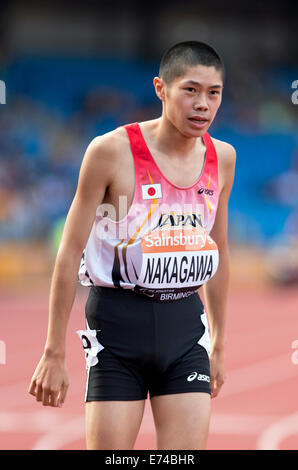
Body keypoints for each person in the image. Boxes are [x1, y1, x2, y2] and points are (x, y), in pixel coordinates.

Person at [28, 40, 236, 450]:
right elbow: (69, 252)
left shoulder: (222, 158)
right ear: (161, 89)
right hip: (117, 327)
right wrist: (53, 351)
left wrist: (219, 341)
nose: (203, 104)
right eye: (190, 90)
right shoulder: (110, 152)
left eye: (214, 93)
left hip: (184, 327)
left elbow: (220, 249)